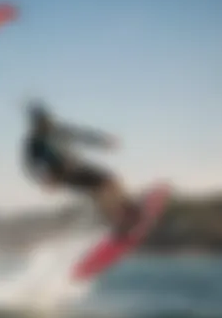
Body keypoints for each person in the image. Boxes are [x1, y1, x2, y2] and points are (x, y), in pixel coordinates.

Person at [21, 99, 140, 237]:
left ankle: (128, 207)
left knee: (110, 180)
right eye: (40, 122)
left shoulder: (59, 130)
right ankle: (117, 222)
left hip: (76, 166)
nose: (45, 123)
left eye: (45, 120)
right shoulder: (34, 142)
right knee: (99, 190)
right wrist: (44, 179)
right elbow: (30, 166)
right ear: (36, 123)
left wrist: (102, 141)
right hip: (62, 174)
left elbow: (82, 135)